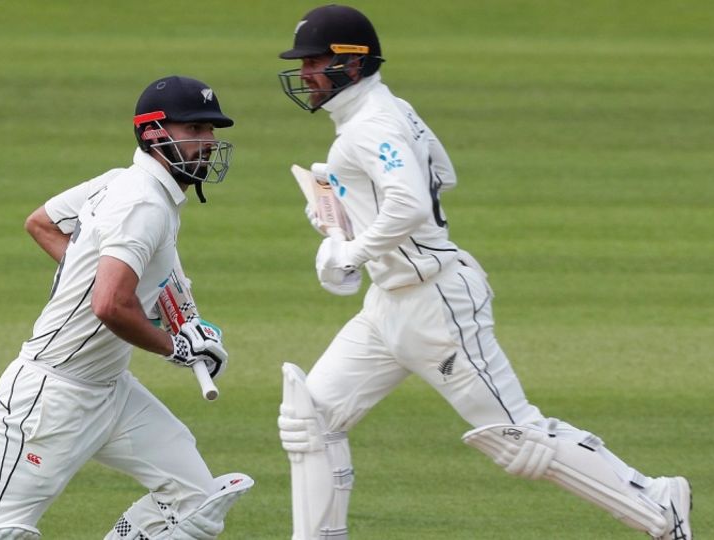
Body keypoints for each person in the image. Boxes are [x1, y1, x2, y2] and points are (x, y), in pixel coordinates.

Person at [275, 5, 691, 540]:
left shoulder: (371, 124)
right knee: (312, 419)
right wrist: (350, 218)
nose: (305, 74)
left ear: (351, 65)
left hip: (434, 303)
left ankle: (658, 505)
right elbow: (441, 174)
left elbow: (411, 205)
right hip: (387, 306)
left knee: (517, 436)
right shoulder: (385, 111)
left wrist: (353, 251)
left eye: (315, 62)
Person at [0, 75, 253, 540]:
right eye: (196, 130)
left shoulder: (120, 184)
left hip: (111, 391)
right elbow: (108, 304)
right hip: (52, 396)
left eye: (211, 131)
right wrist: (175, 347)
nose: (208, 142)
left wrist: (99, 275)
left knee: (194, 504)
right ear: (153, 134)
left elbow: (42, 224)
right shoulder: (142, 203)